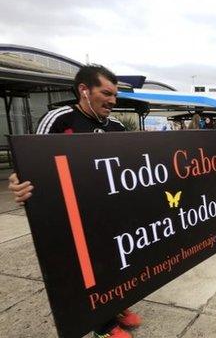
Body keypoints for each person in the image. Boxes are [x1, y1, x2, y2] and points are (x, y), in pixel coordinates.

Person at [8, 65, 141, 338]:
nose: (113, 101)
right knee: (84, 271)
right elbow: (29, 162)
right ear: (84, 90)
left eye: (115, 95)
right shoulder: (59, 119)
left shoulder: (116, 127)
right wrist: (17, 182)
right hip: (70, 215)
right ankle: (102, 326)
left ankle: (117, 305)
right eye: (106, 93)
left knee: (115, 261)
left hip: (108, 214)